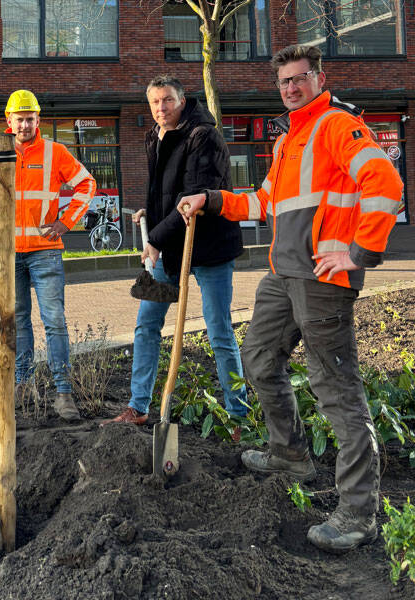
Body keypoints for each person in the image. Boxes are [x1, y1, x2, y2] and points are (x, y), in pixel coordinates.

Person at [179, 45, 403, 554]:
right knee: (258, 358)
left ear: (319, 78)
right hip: (282, 276)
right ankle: (290, 454)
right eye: (284, 81)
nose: (291, 88)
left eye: (300, 78)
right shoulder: (289, 139)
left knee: (338, 392)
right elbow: (264, 202)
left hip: (323, 281)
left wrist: (360, 252)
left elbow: (386, 183)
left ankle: (357, 513)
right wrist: (210, 200)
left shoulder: (337, 126)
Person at [102, 75, 246, 427]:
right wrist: (150, 215)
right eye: (155, 102)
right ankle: (138, 406)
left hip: (208, 249)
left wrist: (154, 240)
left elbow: (193, 198)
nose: (161, 108)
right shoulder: (156, 135)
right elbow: (165, 192)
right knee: (146, 325)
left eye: (167, 100)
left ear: (182, 100)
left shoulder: (204, 136)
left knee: (219, 331)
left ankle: (239, 415)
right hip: (170, 252)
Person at [0, 90, 96, 421]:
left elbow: (86, 185)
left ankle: (64, 394)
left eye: (30, 118)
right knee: (17, 323)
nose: (25, 124)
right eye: (19, 119)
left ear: (38, 120)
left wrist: (65, 223)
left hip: (45, 252)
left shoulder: (55, 152)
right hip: (8, 255)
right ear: (9, 121)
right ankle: (24, 386)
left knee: (55, 322)